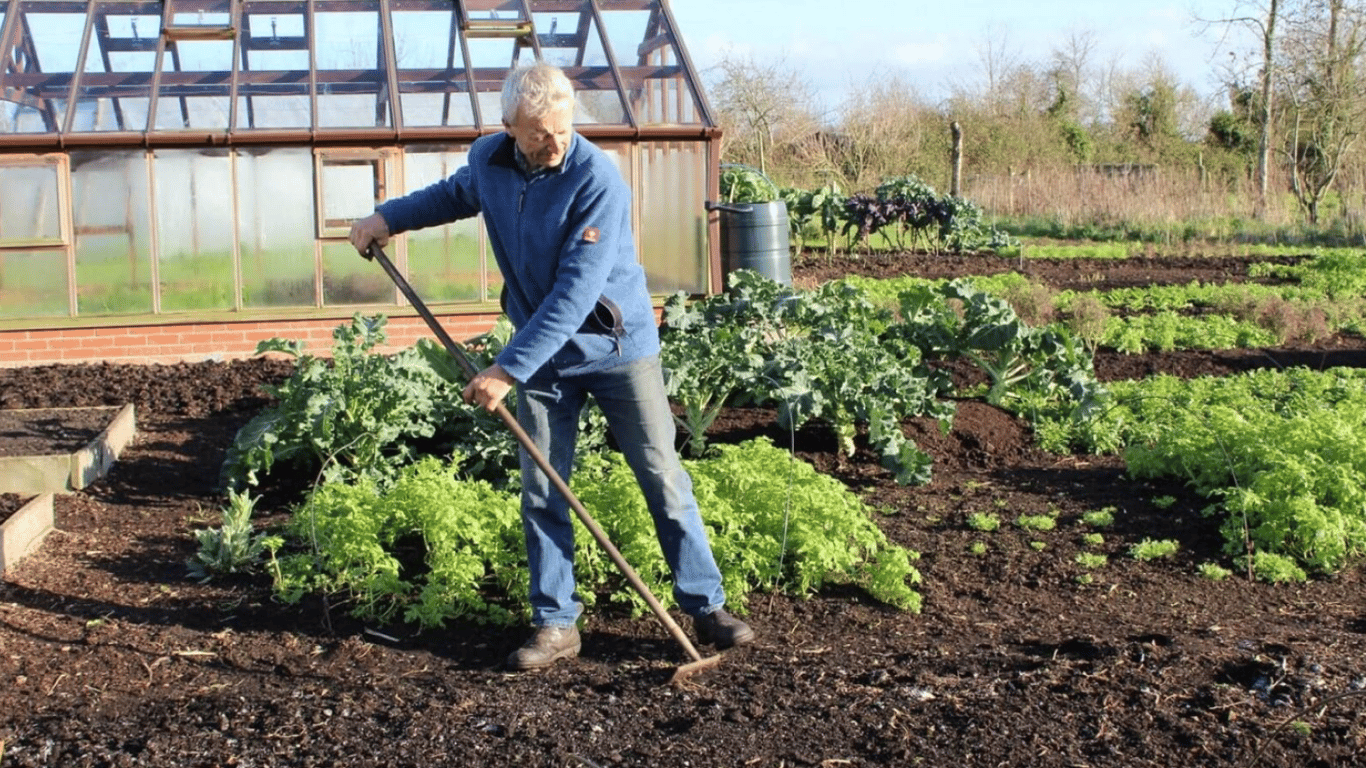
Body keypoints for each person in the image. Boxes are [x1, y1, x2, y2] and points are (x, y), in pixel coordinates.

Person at [348, 62, 754, 671]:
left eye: (564, 129)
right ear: (509, 126)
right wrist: (387, 218)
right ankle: (556, 621)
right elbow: (454, 195)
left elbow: (574, 294)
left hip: (616, 350)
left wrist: (506, 369)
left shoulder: (596, 179)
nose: (556, 143)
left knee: (661, 475)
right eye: (540, 133)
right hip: (543, 356)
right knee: (542, 487)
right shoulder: (489, 160)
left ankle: (706, 605)